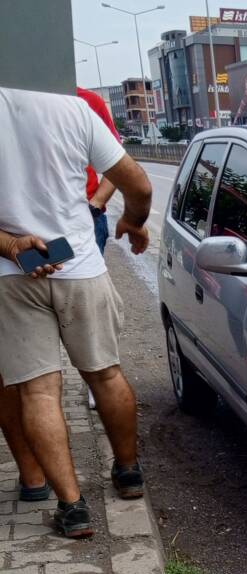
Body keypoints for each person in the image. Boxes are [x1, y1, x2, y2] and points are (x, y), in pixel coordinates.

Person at [0, 86, 153, 538]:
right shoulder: (72, 106)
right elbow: (139, 185)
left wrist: (11, 245)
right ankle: (127, 472)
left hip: (12, 276)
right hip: (81, 264)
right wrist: (133, 221)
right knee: (105, 373)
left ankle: (73, 508)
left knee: (39, 392)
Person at [77, 87, 121, 410]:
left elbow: (118, 163)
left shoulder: (88, 101)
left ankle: (97, 380)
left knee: (88, 307)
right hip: (27, 231)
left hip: (87, 222)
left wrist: (95, 205)